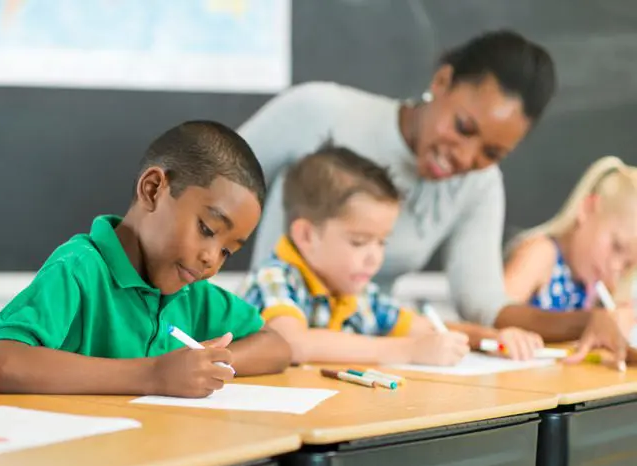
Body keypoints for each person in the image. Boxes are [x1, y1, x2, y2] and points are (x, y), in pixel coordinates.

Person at [240, 29, 632, 366]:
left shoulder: (478, 187)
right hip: (293, 355)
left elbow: (485, 304)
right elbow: (209, 182)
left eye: (491, 154)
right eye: (463, 127)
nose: (465, 156)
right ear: (442, 82)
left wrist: (586, 322)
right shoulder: (319, 111)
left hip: (367, 358)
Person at [0, 121, 291, 399]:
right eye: (207, 229)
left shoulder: (190, 293)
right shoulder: (78, 270)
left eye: (227, 251)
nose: (211, 259)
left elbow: (276, 346)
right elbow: (4, 362)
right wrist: (154, 374)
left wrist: (209, 364)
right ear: (153, 189)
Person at [242, 144, 470, 365]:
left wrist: (484, 338)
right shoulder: (274, 277)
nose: (375, 258)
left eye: (382, 242)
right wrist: (408, 351)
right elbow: (293, 344)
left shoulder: (359, 295)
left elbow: (422, 328)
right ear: (306, 236)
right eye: (359, 242)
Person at [505, 156, 637, 341]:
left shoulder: (594, 287)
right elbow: (495, 314)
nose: (616, 267)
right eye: (616, 246)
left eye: (627, 265)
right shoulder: (541, 254)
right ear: (587, 208)